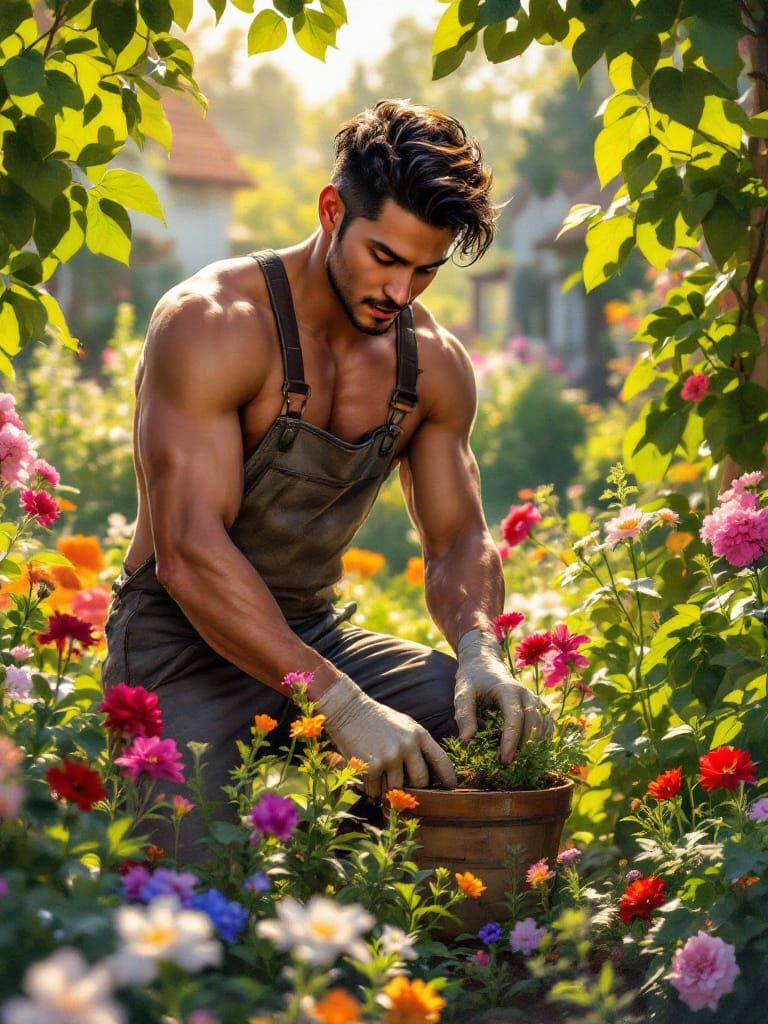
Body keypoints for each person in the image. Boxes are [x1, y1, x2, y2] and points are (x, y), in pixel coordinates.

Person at [102, 99, 552, 853]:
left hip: (314, 631)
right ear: (331, 209)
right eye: (385, 257)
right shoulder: (212, 325)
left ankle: (379, 911)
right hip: (176, 646)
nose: (401, 293)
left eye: (425, 270)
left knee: (490, 736)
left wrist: (481, 651)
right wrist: (343, 708)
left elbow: (458, 537)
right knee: (175, 884)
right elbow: (187, 551)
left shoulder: (432, 363)